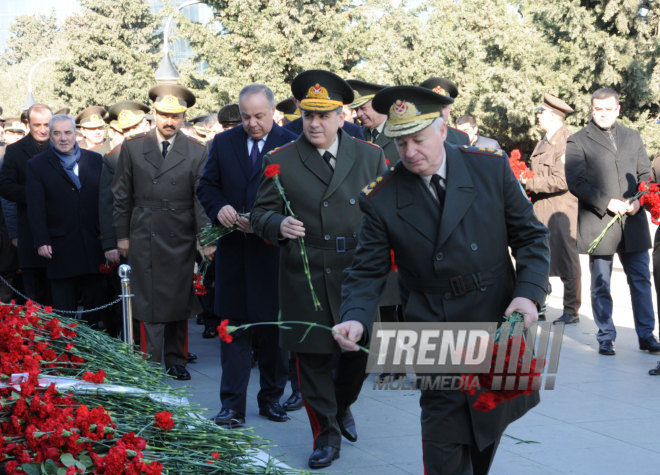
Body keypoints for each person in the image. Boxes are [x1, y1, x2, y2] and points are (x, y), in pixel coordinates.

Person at [333, 85, 550, 475]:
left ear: (442, 129)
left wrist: (529, 295)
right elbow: (366, 270)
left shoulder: (489, 168)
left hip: (497, 320)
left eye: (418, 139)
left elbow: (532, 237)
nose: (410, 152)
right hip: (435, 327)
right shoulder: (382, 197)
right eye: (401, 144)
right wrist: (354, 316)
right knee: (443, 439)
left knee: (486, 428)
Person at [250, 70, 386, 469]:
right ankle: (325, 434)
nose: (314, 123)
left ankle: (342, 405)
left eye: (323, 115)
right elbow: (260, 213)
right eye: (308, 115)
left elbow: (388, 213)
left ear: (341, 116)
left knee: (356, 357)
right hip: (304, 272)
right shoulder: (280, 161)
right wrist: (277, 225)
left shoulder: (370, 156)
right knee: (311, 361)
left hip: (356, 273)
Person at [197, 83, 296, 428]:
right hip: (234, 253)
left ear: (273, 113)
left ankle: (271, 399)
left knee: (272, 335)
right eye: (246, 117)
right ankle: (231, 406)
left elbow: (299, 197)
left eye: (259, 116)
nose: (252, 124)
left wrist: (270, 223)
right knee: (233, 333)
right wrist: (219, 207)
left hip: (273, 255)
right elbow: (206, 186)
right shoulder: (224, 143)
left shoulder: (292, 143)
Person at [112, 84, 215, 380]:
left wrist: (204, 238)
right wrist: (122, 236)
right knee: (149, 300)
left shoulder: (196, 151)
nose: (170, 122)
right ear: (154, 114)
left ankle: (176, 359)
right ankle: (150, 361)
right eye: (164, 115)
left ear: (184, 117)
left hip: (180, 233)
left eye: (176, 116)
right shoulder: (133, 147)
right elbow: (121, 195)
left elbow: (201, 198)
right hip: (144, 230)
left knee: (179, 299)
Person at [566, 87, 659, 355]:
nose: (603, 114)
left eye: (608, 109)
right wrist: (607, 201)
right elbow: (576, 182)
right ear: (592, 109)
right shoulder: (578, 141)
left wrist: (638, 201)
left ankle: (646, 334)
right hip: (599, 221)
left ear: (618, 109)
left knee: (641, 281)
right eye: (598, 109)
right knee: (601, 284)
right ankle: (606, 334)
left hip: (633, 222)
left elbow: (646, 175)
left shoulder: (632, 136)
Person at [25, 114, 106, 325]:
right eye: (57, 133)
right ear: (50, 136)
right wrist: (41, 240)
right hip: (59, 247)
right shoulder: (37, 165)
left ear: (76, 135)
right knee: (64, 310)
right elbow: (35, 207)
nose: (63, 138)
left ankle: (93, 351)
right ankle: (68, 351)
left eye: (68, 133)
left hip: (92, 244)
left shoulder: (95, 160)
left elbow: (106, 201)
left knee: (95, 305)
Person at [522, 94, 581, 325]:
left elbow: (562, 179)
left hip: (561, 208)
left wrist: (528, 182)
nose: (538, 115)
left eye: (542, 112)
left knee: (567, 259)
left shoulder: (566, 140)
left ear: (555, 116)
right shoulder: (545, 140)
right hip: (542, 207)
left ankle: (571, 310)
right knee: (540, 258)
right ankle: (541, 304)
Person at [0, 104, 53, 305]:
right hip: (29, 229)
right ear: (27, 124)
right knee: (35, 293)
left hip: (60, 231)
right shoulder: (14, 151)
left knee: (60, 294)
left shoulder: (61, 146)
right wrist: (34, 194)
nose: (42, 129)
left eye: (47, 124)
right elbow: (5, 187)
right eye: (37, 124)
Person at [419, 76, 470, 146]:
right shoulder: (411, 136)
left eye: (443, 107)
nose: (439, 111)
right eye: (434, 106)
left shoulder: (462, 139)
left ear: (449, 109)